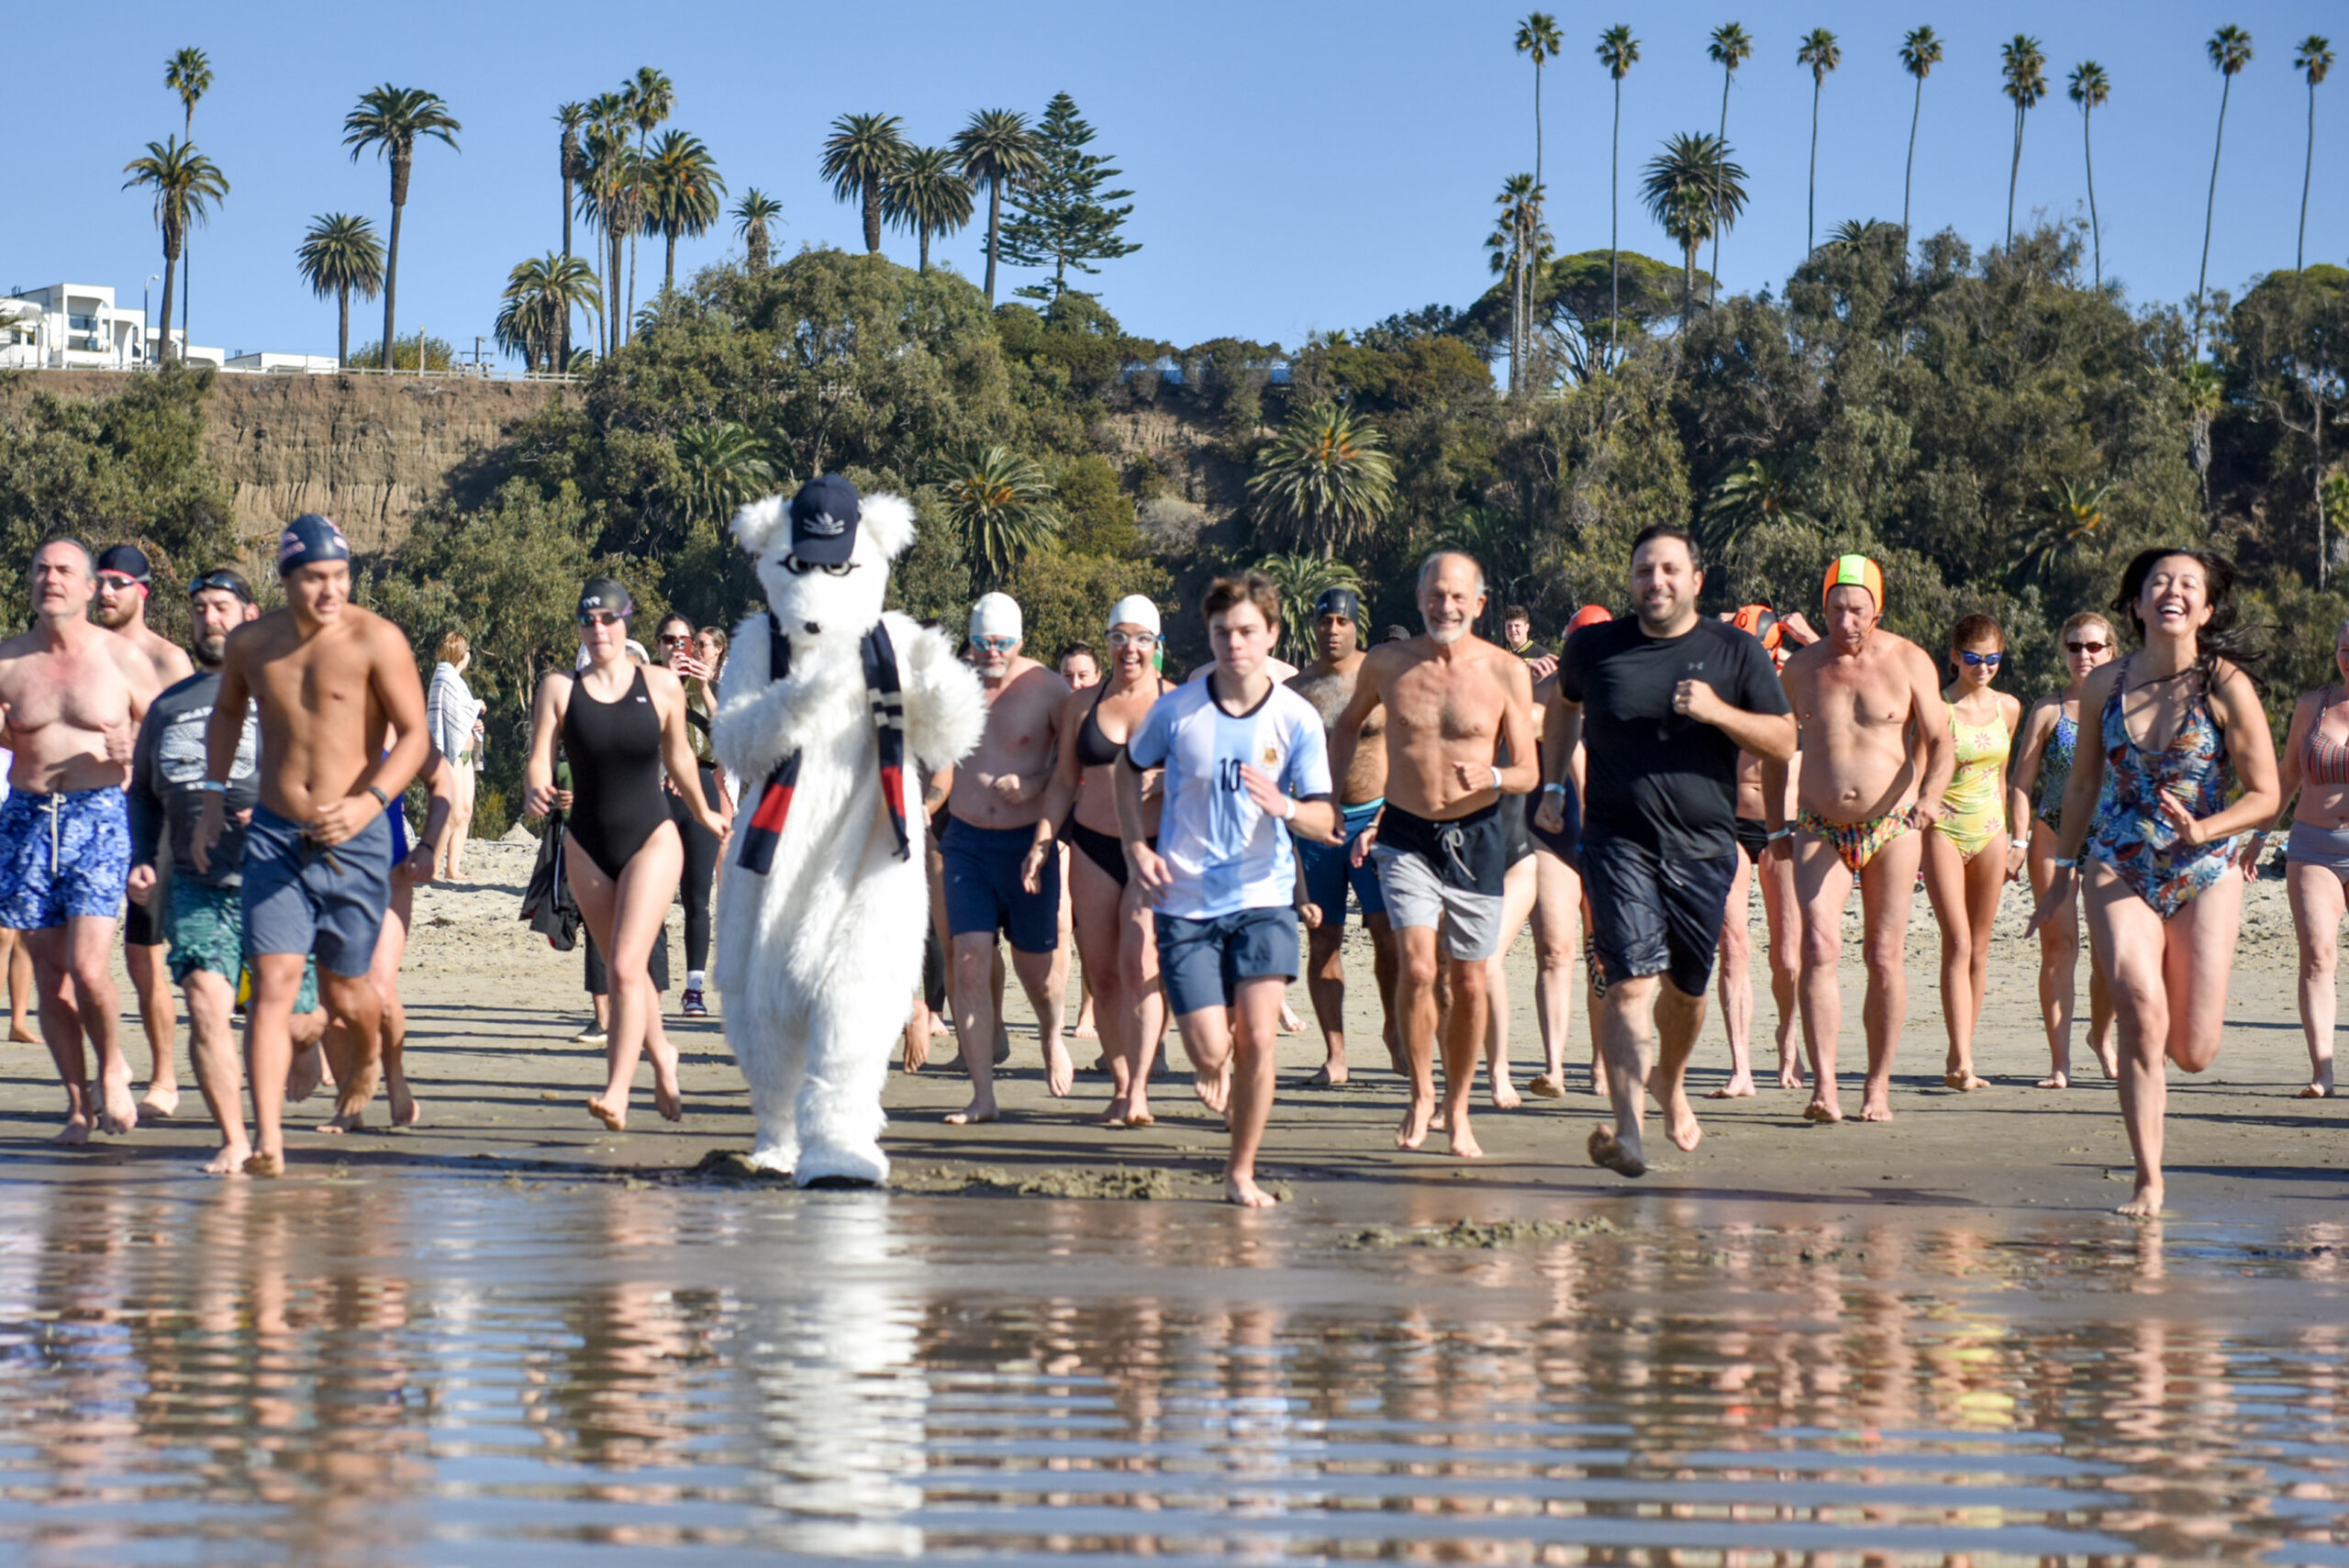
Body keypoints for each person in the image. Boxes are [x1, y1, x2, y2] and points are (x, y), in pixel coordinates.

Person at [2029, 548, 2279, 1218]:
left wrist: (2204, 830)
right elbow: (2082, 783)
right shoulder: (2102, 684)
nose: (2172, 590)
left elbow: (2266, 794)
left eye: (2187, 584)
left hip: (2203, 866)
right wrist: (2061, 873)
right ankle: (2149, 1179)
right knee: (2140, 1007)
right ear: (2137, 605)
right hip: (2119, 857)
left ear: (2206, 607)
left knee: (2193, 1049)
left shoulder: (2224, 684)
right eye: (2157, 582)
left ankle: (2165, 1057)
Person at [1542, 527, 1796, 1177]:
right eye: (1643, 571)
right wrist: (1550, 781)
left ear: (1695, 579)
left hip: (1705, 847)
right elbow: (1563, 707)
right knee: (1629, 982)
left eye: (1669, 570)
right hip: (1616, 839)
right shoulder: (1594, 647)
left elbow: (1782, 740)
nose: (1656, 581)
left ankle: (1671, 1083)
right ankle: (1628, 1130)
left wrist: (1717, 712)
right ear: (1630, 579)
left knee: (1686, 991)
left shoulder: (1735, 652)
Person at [195, 515, 431, 1173]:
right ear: (286, 580)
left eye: (340, 576)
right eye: (315, 579)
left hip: (354, 838)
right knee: (273, 984)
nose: (331, 591)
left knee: (349, 993)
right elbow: (227, 714)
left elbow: (414, 736)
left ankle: (383, 1063)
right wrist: (213, 799)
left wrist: (369, 803)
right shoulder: (251, 643)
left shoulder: (377, 639)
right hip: (274, 833)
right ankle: (265, 1138)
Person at [1118, 572, 1334, 1207]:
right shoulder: (1177, 710)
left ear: (1271, 634)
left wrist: (1286, 806)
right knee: (1214, 1049)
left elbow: (1325, 821)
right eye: (1221, 632)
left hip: (1264, 900)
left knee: (1261, 1037)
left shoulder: (1296, 717)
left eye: (1246, 631)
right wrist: (1135, 846)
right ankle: (1215, 1071)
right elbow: (1124, 771)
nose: (1233, 643)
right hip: (1185, 904)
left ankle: (1240, 1172)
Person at [1331, 551, 1540, 1159]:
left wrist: (1493, 773)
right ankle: (1421, 1093)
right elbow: (1347, 726)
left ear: (1479, 604)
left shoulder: (1505, 671)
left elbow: (1527, 769)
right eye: (1434, 594)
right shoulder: (1387, 664)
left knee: (1469, 982)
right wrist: (1324, 795)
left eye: (1458, 597)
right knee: (1418, 968)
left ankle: (1458, 1107)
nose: (1444, 606)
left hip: (1476, 835)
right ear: (1419, 596)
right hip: (1404, 833)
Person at [127, 567, 331, 1173]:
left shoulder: (284, 692)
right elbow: (142, 791)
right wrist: (143, 856)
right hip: (198, 882)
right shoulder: (168, 705)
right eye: (197, 608)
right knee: (206, 1002)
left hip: (279, 877)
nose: (207, 618)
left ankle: (311, 1041)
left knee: (296, 1021)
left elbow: (326, 774)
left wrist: (280, 808)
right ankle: (237, 1139)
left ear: (249, 614)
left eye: (220, 607)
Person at [524, 577, 724, 1132]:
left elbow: (681, 756)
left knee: (624, 965)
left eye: (608, 619)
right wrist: (534, 787)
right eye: (588, 620)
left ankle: (615, 1091)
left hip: (652, 838)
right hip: (586, 842)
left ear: (626, 622)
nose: (597, 629)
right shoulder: (559, 688)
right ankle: (663, 1054)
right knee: (625, 971)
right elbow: (539, 756)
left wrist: (707, 813)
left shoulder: (661, 686)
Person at [1765, 556, 1954, 1124]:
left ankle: (1877, 1086)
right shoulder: (1800, 668)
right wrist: (1776, 825)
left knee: (1882, 954)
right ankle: (1824, 1087)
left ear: (1878, 609)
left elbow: (1942, 740)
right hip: (1819, 825)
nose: (1846, 622)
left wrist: (1930, 795)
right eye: (1835, 609)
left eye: (1857, 610)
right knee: (1817, 948)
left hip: (1893, 825)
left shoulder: (1908, 660)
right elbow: (1777, 749)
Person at [0, 539, 162, 1141]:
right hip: (26, 816)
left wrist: (134, 750)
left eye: (65, 570)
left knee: (88, 965)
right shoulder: (9, 661)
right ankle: (76, 1101)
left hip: (99, 815)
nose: (51, 578)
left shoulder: (121, 658)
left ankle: (113, 1067)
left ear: (91, 588)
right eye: (41, 568)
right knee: (48, 972)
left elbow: (165, 729)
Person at [1023, 599, 1174, 1126]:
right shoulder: (1081, 706)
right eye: (1118, 636)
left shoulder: (1177, 704)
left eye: (1140, 638)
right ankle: (1119, 1083)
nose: (1129, 648)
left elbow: (1205, 776)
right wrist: (1043, 842)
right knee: (1104, 975)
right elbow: (1064, 780)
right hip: (1091, 844)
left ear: (1156, 644)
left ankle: (1139, 1089)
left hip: (1154, 849)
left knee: (1141, 963)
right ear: (1108, 640)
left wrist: (1170, 780)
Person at [940, 593, 1073, 1124]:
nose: (991, 653)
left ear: (1020, 641)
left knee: (1036, 974)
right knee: (969, 961)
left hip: (1026, 846)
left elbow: (1073, 770)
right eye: (981, 643)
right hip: (967, 842)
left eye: (1001, 643)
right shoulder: (951, 687)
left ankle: (1051, 1033)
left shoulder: (1047, 690)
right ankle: (983, 1097)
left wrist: (1035, 783)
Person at [94, 543, 195, 1121]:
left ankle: (164, 1077)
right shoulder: (79, 653)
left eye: (117, 582)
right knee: (84, 960)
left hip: (148, 818)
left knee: (144, 958)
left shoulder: (167, 660)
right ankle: (112, 1068)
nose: (105, 592)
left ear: (142, 590)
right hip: (87, 813)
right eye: (99, 581)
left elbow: (193, 741)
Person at [1285, 587, 1397, 1085]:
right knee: (1323, 938)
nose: (1333, 630)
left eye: (1341, 621)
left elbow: (1408, 749)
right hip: (1315, 822)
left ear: (1357, 626)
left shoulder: (1383, 678)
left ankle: (1395, 1027)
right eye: (1325, 621)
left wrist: (1389, 815)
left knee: (1387, 933)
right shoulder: (1295, 690)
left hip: (1376, 818)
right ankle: (1336, 1055)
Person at [2008, 611, 2121, 1089]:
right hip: (2053, 836)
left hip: (2111, 840)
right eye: (2075, 646)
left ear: (2111, 651)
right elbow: (2021, 783)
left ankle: (2101, 1036)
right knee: (2058, 948)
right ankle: (2060, 1063)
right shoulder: (2047, 710)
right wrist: (2016, 840)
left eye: (2094, 646)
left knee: (2109, 953)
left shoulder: (2127, 707)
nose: (2084, 655)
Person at [1714, 603, 1818, 1097]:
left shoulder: (1798, 686)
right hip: (1728, 825)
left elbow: (1851, 676)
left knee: (1788, 956)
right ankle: (1741, 1069)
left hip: (1785, 827)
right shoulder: (1722, 690)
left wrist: (1811, 637)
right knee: (1733, 948)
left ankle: (1788, 1040)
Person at [1922, 613, 2023, 1092]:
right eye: (1973, 658)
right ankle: (1960, 1058)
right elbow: (1919, 775)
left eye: (1993, 659)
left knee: (1980, 949)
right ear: (1954, 656)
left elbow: (2002, 778)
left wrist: (2011, 840)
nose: (1983, 667)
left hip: (1990, 831)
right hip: (1943, 829)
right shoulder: (1937, 707)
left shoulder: (2009, 708)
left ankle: (1962, 1052)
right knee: (1957, 943)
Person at [2265, 617, 2349, 1098]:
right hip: (2313, 845)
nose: (2348, 657)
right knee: (2318, 955)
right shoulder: (2313, 706)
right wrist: (2259, 835)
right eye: (2343, 647)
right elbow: (2288, 773)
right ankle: (2323, 1070)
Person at [652, 610, 730, 1018]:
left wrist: (702, 685)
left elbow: (729, 738)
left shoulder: (711, 688)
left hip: (700, 785)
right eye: (671, 641)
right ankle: (650, 987)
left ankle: (694, 989)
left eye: (687, 642)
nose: (681, 648)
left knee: (697, 897)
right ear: (658, 645)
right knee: (654, 894)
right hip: (658, 791)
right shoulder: (645, 683)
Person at [1055, 642, 1100, 1041]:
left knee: (1087, 924)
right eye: (1068, 675)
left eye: (1082, 675)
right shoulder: (1055, 713)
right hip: (1059, 820)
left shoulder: (1106, 713)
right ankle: (1058, 1010)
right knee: (1060, 920)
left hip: (1095, 820)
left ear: (1097, 677)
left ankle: (1089, 1010)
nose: (1074, 682)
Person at [425, 632, 484, 882]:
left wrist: (476, 724)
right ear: (461, 653)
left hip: (466, 754)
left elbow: (461, 717)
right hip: (450, 753)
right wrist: (477, 705)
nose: (470, 655)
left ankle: (453, 867)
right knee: (452, 812)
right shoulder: (444, 677)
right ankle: (432, 866)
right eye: (468, 651)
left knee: (466, 811)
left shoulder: (457, 681)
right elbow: (453, 716)